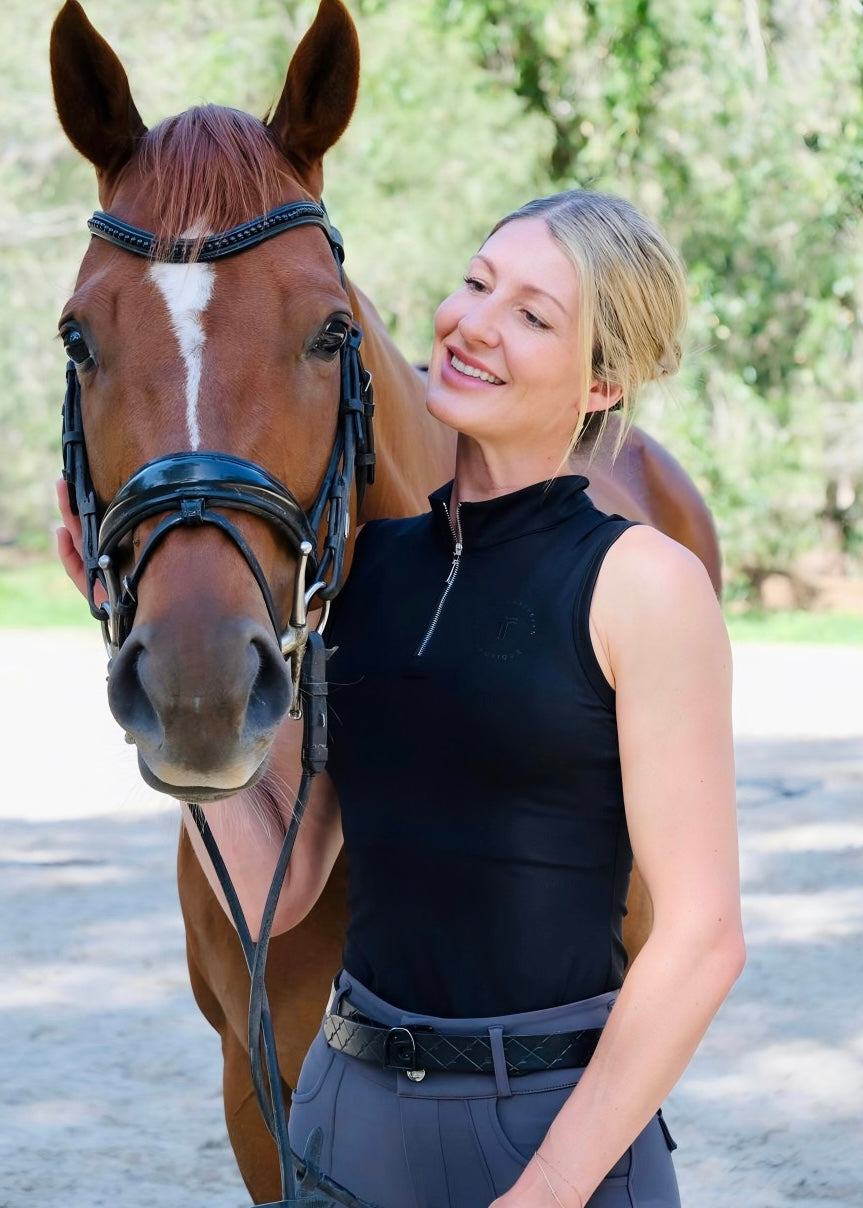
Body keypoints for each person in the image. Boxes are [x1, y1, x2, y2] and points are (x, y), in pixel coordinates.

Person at [58, 188, 745, 1208]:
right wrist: (169, 699)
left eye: (531, 314)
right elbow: (281, 889)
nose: (473, 323)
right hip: (355, 1114)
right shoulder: (363, 574)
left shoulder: (642, 581)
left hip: (550, 1130)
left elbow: (701, 937)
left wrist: (550, 1185)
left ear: (599, 382)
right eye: (477, 282)